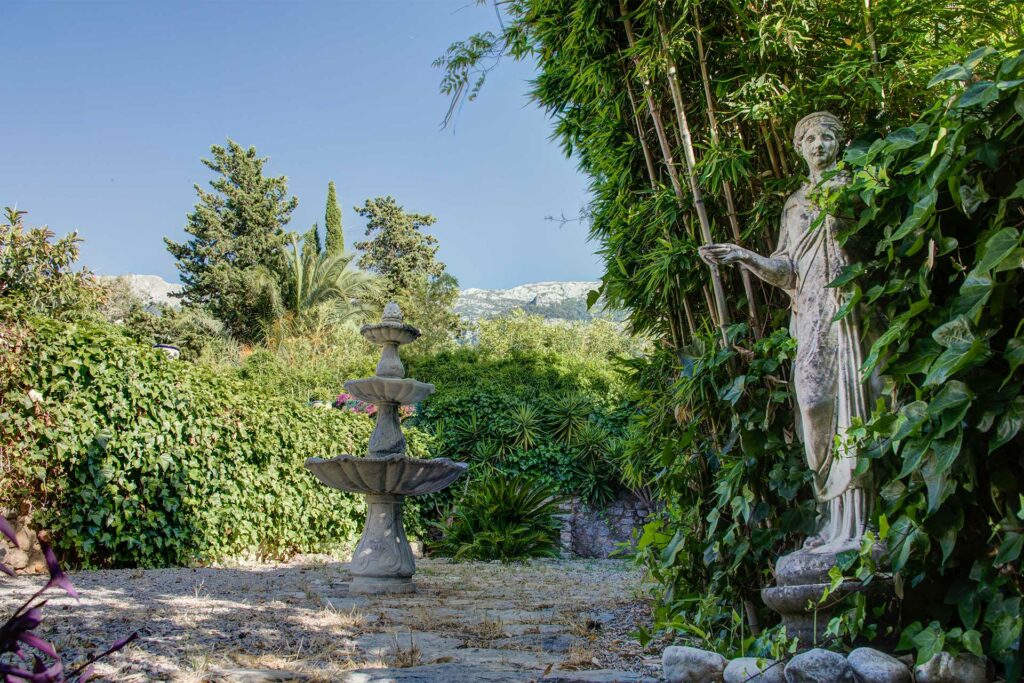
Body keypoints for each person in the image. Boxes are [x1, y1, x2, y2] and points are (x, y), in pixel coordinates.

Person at [699, 111, 871, 552]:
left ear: (838, 144)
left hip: (848, 307)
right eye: (810, 138)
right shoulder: (793, 205)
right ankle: (833, 519)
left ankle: (856, 527)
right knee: (813, 403)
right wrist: (743, 255)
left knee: (853, 404)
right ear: (799, 147)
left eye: (827, 138)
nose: (819, 145)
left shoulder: (855, 187)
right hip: (810, 312)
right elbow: (787, 270)